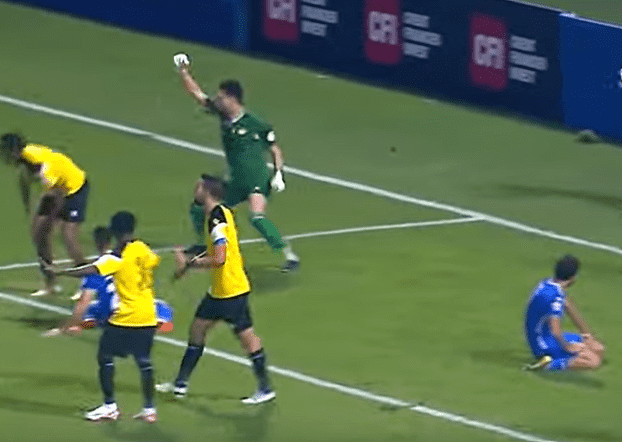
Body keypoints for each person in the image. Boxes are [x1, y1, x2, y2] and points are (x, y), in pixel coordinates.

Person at [172, 53, 299, 272]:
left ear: (233, 99)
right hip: (235, 182)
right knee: (201, 194)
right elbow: (197, 94)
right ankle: (202, 242)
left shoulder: (255, 124)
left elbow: (275, 149)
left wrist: (278, 174)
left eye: (222, 97)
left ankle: (289, 255)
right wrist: (183, 72)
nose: (218, 100)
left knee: (257, 218)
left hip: (256, 179)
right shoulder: (223, 116)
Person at [156, 175, 276, 404]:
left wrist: (191, 263)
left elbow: (219, 258)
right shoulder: (221, 213)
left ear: (207, 191)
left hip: (231, 291)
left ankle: (265, 388)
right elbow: (212, 248)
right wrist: (189, 259)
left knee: (247, 339)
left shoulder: (216, 219)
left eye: (198, 187)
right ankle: (180, 384)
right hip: (220, 291)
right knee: (197, 331)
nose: (195, 190)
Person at [44, 212, 161, 422]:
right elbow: (152, 261)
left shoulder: (116, 256)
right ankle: (149, 410)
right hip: (148, 315)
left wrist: (60, 272)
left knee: (105, 356)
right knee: (144, 362)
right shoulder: (142, 248)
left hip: (125, 317)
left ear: (114, 231)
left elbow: (91, 270)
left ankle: (109, 407)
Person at [0, 133, 90, 297]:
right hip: (54, 190)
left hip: (73, 189)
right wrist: (27, 207)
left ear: (14, 150)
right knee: (38, 234)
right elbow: (24, 180)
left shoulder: (43, 167)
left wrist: (49, 220)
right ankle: (50, 283)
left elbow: (58, 196)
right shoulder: (24, 159)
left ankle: (88, 282)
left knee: (68, 236)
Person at [43, 226, 174, 336]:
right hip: (134, 309)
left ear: (96, 243)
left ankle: (88, 323)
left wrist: (67, 327)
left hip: (110, 315)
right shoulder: (129, 260)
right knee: (161, 306)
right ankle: (157, 324)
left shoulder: (96, 268)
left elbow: (84, 301)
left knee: (91, 309)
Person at [524, 255, 605, 371]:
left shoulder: (548, 283)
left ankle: (556, 357)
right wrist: (568, 346)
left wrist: (587, 335)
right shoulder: (555, 297)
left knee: (598, 349)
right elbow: (556, 330)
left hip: (545, 335)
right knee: (593, 362)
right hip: (542, 342)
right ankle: (547, 365)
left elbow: (569, 307)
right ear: (573, 277)